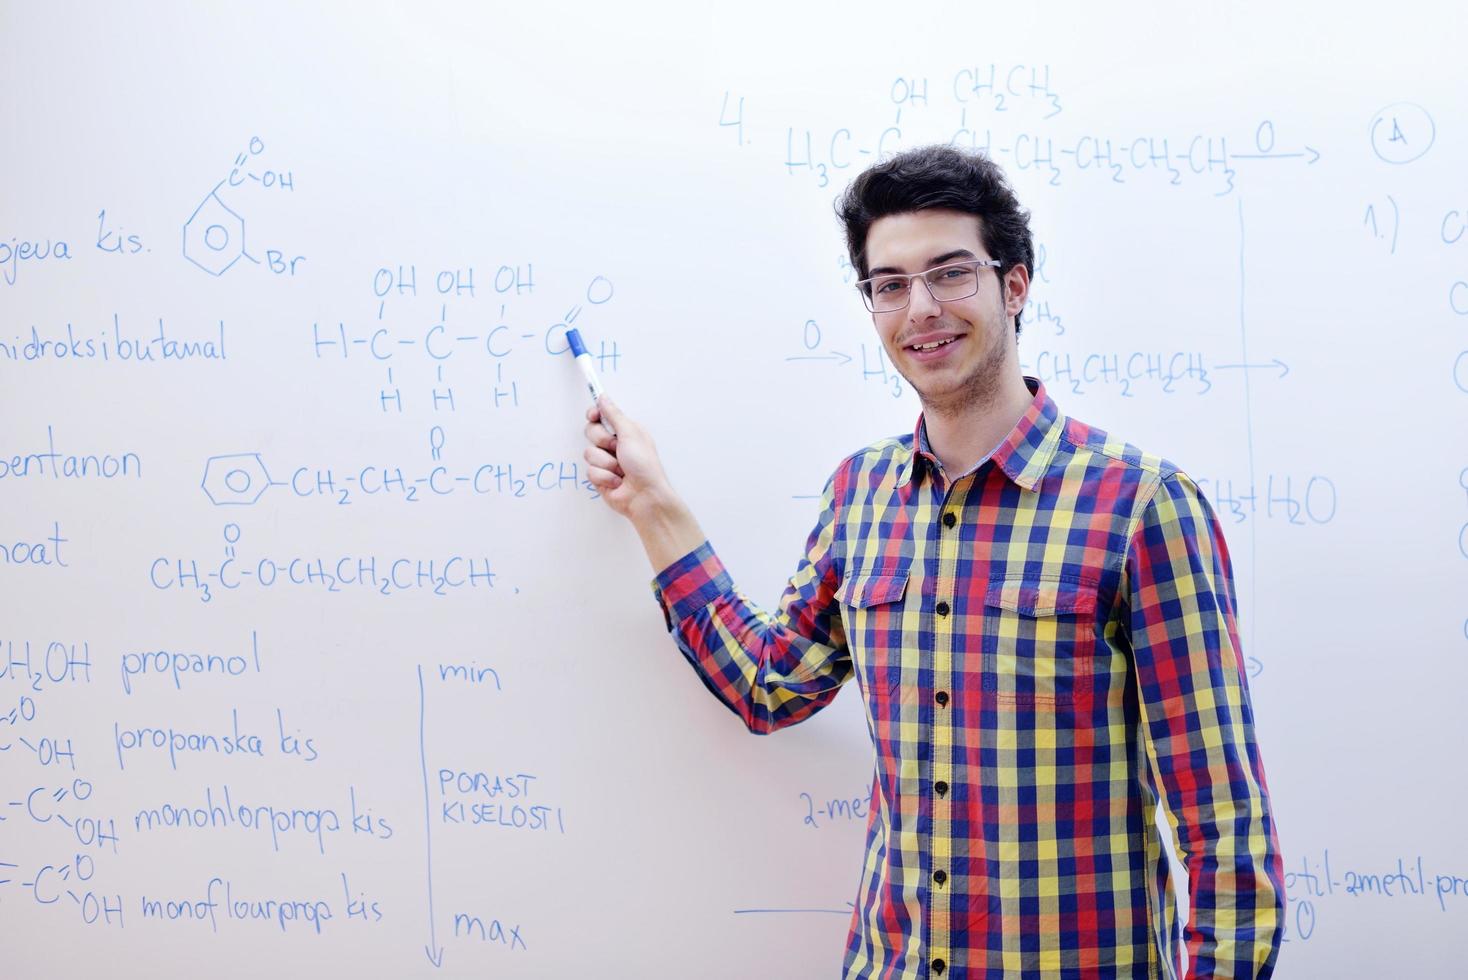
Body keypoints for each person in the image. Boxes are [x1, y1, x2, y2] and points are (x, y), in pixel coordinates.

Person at [581, 145, 1284, 979]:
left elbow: (1222, 828)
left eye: (951, 273)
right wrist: (655, 506)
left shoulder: (1142, 508)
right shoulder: (861, 494)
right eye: (889, 284)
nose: (920, 308)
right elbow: (770, 684)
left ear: (1014, 285)